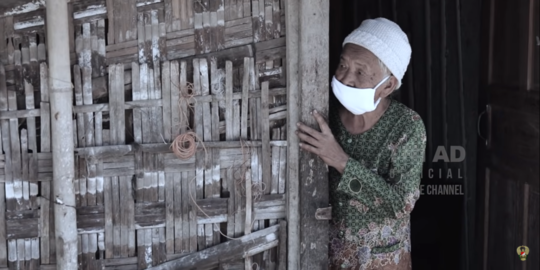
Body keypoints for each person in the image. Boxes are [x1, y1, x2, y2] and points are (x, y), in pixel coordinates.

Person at [295, 18, 426, 269]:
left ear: (388, 85)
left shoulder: (407, 126)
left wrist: (340, 161)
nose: (346, 78)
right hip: (328, 255)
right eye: (343, 64)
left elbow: (400, 204)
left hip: (381, 260)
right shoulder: (325, 113)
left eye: (360, 72)